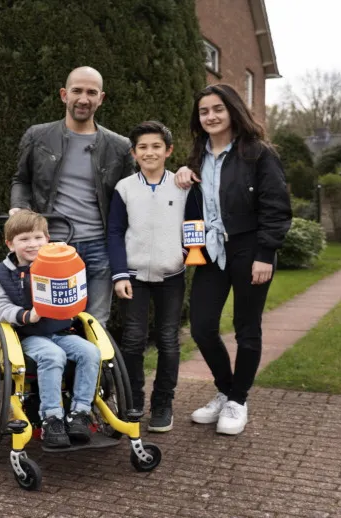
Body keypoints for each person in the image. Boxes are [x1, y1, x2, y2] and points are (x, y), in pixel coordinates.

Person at [174, 84, 292, 436]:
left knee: (247, 328)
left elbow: (276, 206)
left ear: (233, 111)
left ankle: (238, 400)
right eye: (204, 111)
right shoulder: (197, 156)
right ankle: (226, 389)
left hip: (249, 249)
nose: (210, 116)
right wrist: (182, 174)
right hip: (210, 252)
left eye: (217, 109)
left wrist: (265, 253)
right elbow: (195, 201)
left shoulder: (258, 154)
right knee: (202, 326)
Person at [9, 66, 135, 327]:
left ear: (101, 99)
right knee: (54, 322)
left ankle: (93, 369)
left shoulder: (119, 146)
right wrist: (19, 207)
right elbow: (22, 180)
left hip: (100, 246)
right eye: (77, 91)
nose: (83, 98)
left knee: (95, 324)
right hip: (52, 245)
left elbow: (131, 195)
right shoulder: (38, 136)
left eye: (91, 92)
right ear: (64, 95)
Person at [0, 210, 103, 448]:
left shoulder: (58, 263)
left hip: (61, 331)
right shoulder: (1, 272)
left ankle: (80, 412)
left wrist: (64, 259)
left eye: (38, 238)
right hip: (28, 335)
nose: (33, 244)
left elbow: (78, 284)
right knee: (53, 355)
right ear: (10, 244)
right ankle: (52, 417)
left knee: (91, 352)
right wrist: (27, 315)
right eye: (24, 239)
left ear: (47, 239)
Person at [107, 121, 188, 433]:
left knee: (168, 339)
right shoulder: (125, 188)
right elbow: (114, 233)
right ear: (134, 152)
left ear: (168, 150)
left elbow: (195, 224)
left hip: (172, 276)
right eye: (143, 147)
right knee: (133, 339)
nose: (149, 152)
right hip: (134, 276)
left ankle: (163, 403)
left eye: (156, 146)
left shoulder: (182, 185)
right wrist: (119, 274)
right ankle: (133, 401)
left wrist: (186, 253)